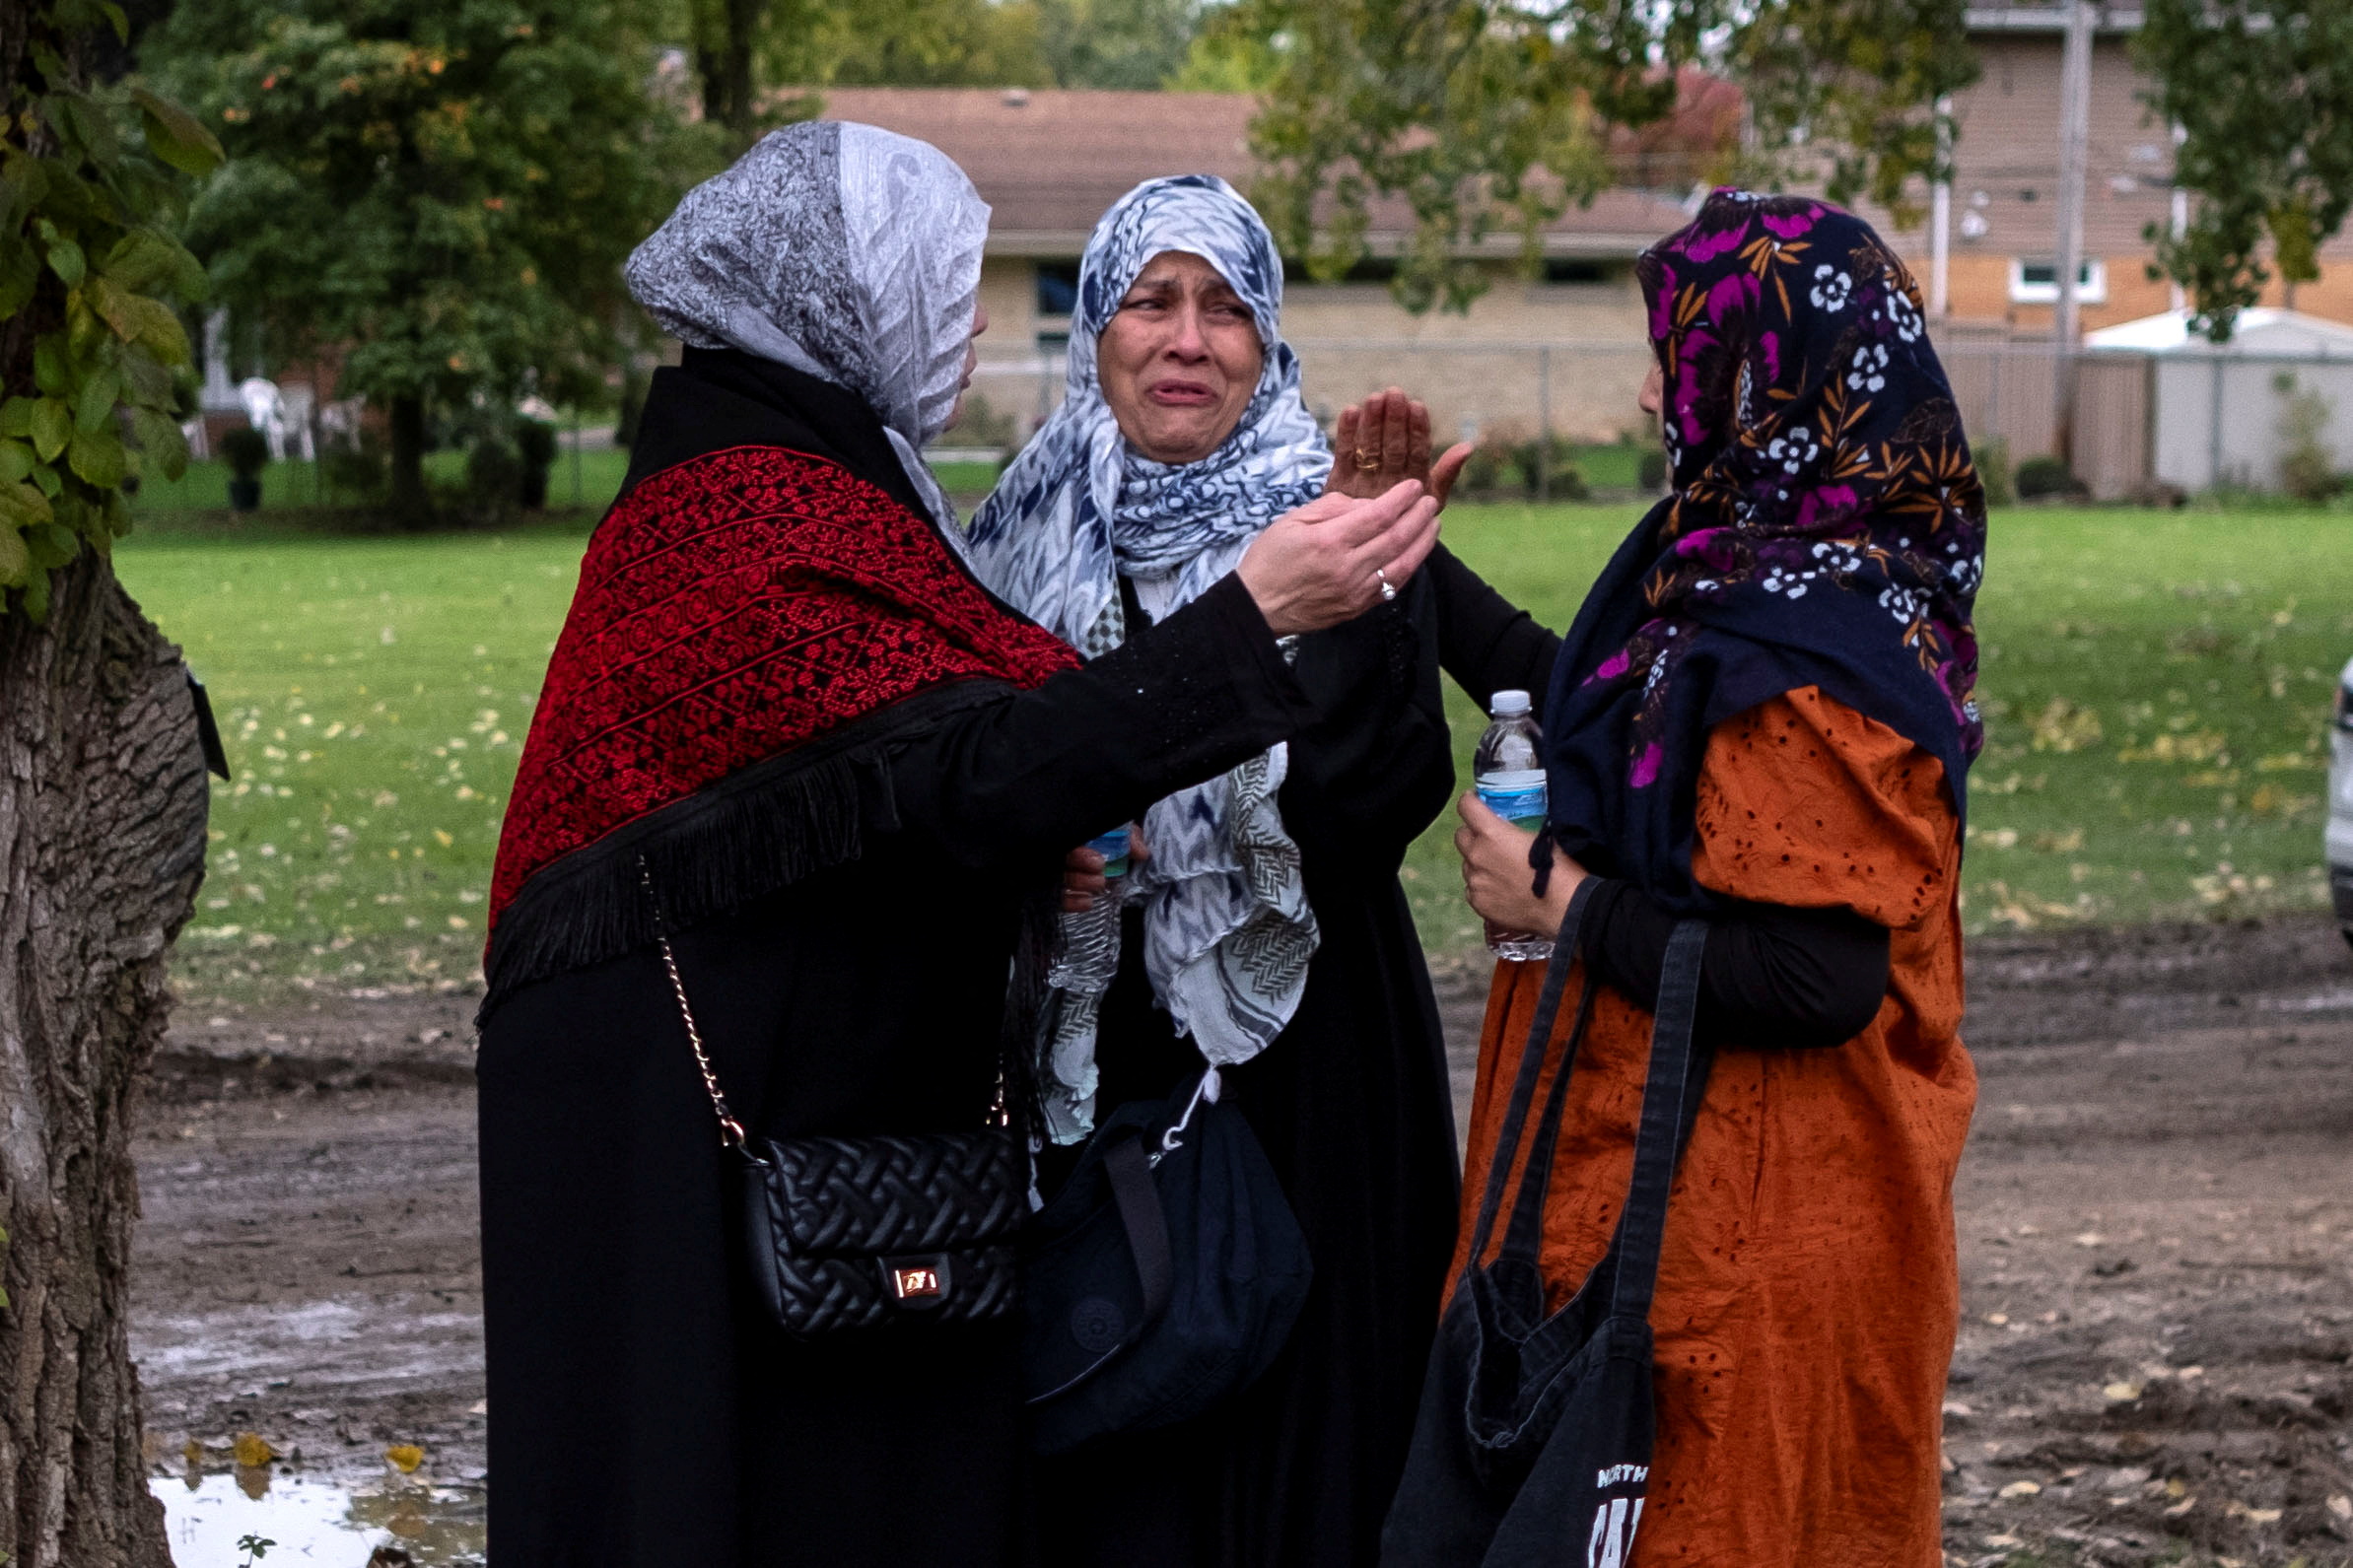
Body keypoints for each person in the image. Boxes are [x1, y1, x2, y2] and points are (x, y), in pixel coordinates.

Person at [472, 125, 1441, 1568]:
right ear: (844, 300)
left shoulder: (814, 481)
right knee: (700, 1480)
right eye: (948, 285)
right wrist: (1246, 621)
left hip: (888, 1094)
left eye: (1223, 306)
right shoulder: (761, 508)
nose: (977, 321)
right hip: (685, 1132)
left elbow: (910, 781)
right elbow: (976, 768)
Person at [1442, 189, 1986, 1566]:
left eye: (1676, 354)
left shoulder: (1812, 640)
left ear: (1767, 377)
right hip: (1688, 1208)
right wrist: (1403, 558)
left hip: (1757, 1241)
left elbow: (1818, 977)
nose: (1645, 393)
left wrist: (1562, 909)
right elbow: (1611, 705)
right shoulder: (1741, 577)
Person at [959, 175, 1470, 1568]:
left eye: (1227, 307)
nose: (1189, 339)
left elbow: (1376, 806)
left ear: (1269, 340)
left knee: (1317, 1472)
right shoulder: (1009, 543)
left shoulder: (1332, 515)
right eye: (1152, 300)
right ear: (1096, 331)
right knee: (1120, 1460)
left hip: (1315, 1076)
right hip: (1093, 1073)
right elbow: (968, 791)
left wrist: (1366, 595)